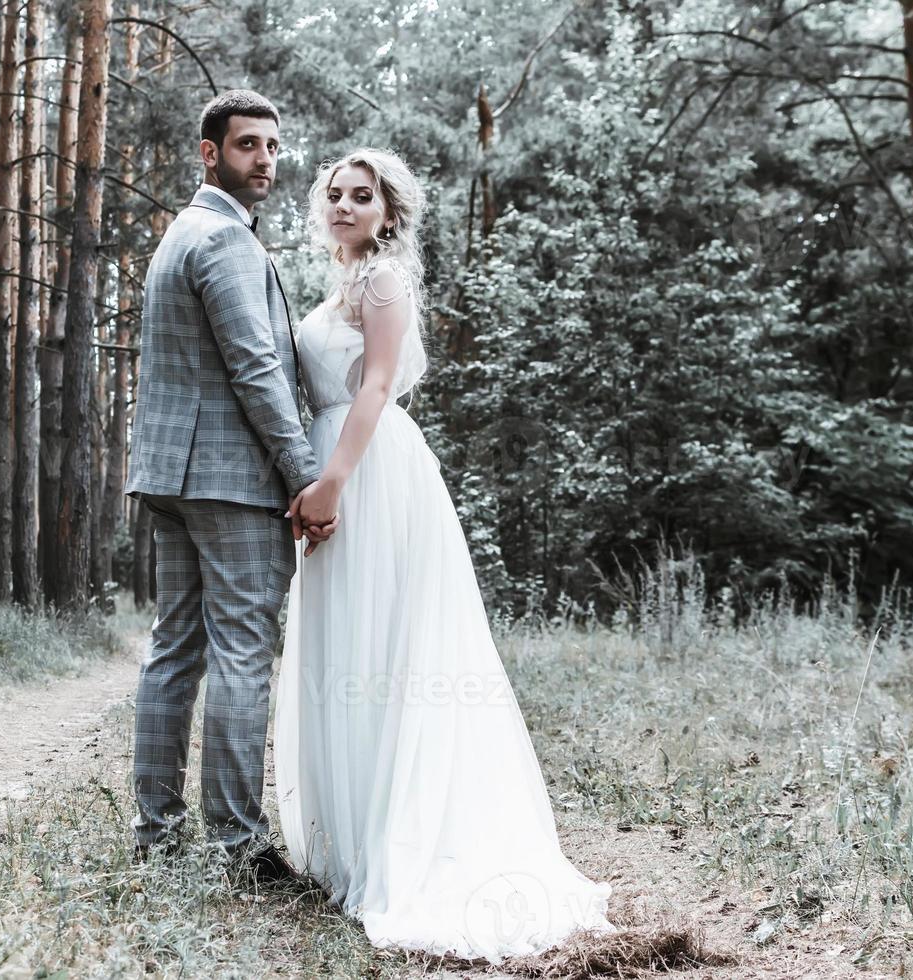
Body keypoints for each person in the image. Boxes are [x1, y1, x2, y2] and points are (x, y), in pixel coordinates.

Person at [273, 148, 617, 961]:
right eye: (335, 196)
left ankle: (405, 837)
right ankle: (350, 840)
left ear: (388, 214)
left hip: (370, 470)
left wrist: (332, 483)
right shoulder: (339, 285)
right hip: (334, 460)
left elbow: (377, 384)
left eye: (362, 197)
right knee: (348, 644)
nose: (346, 207)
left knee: (389, 649)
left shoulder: (382, 281)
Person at [124, 90, 335, 888]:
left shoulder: (180, 235)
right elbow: (256, 370)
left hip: (171, 477)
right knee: (244, 652)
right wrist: (305, 477)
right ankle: (238, 847)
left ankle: (157, 832)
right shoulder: (225, 242)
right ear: (210, 153)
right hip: (230, 481)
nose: (266, 161)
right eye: (249, 146)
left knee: (174, 649)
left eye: (274, 147)